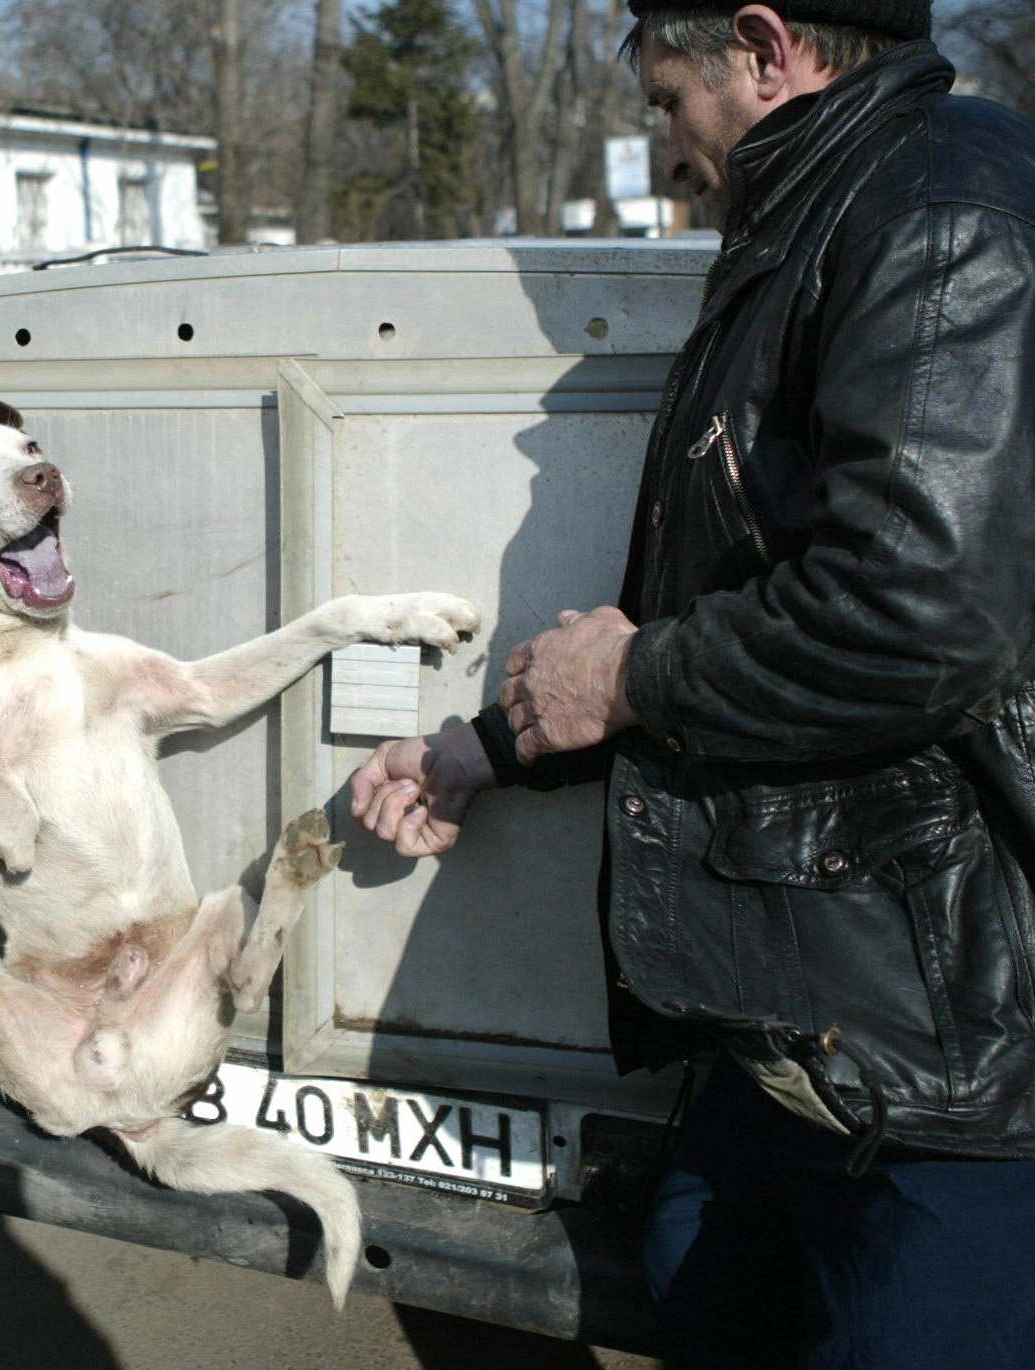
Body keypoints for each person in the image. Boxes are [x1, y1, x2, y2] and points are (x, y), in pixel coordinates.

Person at [351, 5, 1035, 1367]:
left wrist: (629, 674)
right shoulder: (813, 217)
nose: (664, 148)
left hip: (929, 1056)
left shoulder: (936, 214)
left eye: (670, 101)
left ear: (764, 45)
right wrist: (497, 742)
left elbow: (915, 617)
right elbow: (728, 606)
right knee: (695, 1280)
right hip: (790, 1015)